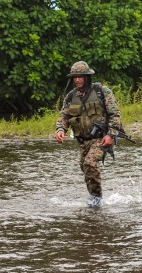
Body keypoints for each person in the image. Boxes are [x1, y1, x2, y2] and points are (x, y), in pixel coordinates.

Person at [55, 61, 122, 207]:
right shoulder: (71, 96)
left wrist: (110, 135)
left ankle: (96, 200)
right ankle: (94, 199)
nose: (77, 79)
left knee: (90, 163)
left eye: (80, 76)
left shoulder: (102, 91)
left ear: (87, 77)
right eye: (75, 77)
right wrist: (60, 130)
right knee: (85, 168)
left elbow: (115, 114)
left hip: (100, 138)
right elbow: (64, 116)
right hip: (82, 141)